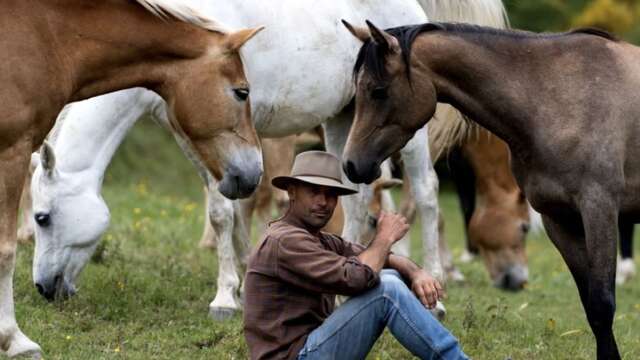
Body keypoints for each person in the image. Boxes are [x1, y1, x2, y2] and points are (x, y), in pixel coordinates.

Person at [243, 151, 468, 360]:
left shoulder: (318, 239)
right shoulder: (285, 240)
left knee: (389, 275)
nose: (323, 202)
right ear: (292, 192)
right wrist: (384, 237)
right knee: (386, 289)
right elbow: (357, 277)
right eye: (314, 192)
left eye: (331, 194)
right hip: (297, 355)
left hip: (312, 347)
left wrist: (416, 272)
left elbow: (379, 258)